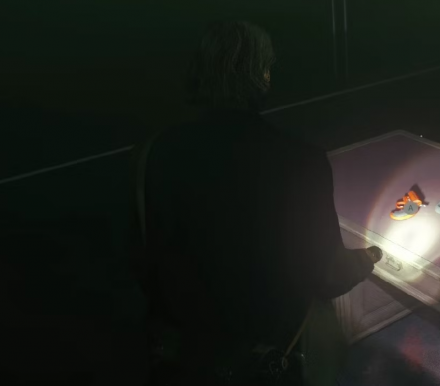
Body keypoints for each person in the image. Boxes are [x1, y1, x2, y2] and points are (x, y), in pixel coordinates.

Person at [138, 20, 378, 385]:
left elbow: (144, 260)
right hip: (265, 365)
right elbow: (326, 276)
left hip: (183, 361)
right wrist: (368, 258)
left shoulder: (154, 152)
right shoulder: (302, 160)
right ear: (262, 76)